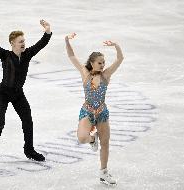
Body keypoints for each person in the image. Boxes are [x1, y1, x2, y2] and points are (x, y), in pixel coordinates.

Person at [0, 14, 52, 161]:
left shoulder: (27, 54)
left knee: (27, 119)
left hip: (17, 94)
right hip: (3, 92)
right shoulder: (5, 55)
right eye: (20, 41)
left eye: (24, 41)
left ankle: (29, 150)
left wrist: (47, 31)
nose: (23, 44)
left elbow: (41, 44)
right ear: (12, 43)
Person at [65, 33, 124, 184]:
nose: (103, 65)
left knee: (105, 142)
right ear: (92, 63)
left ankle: (103, 172)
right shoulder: (84, 73)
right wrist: (67, 41)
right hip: (87, 111)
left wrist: (116, 46)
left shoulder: (106, 75)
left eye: (103, 62)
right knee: (82, 137)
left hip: (102, 112)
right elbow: (72, 56)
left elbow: (120, 59)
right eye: (99, 63)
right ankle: (92, 139)